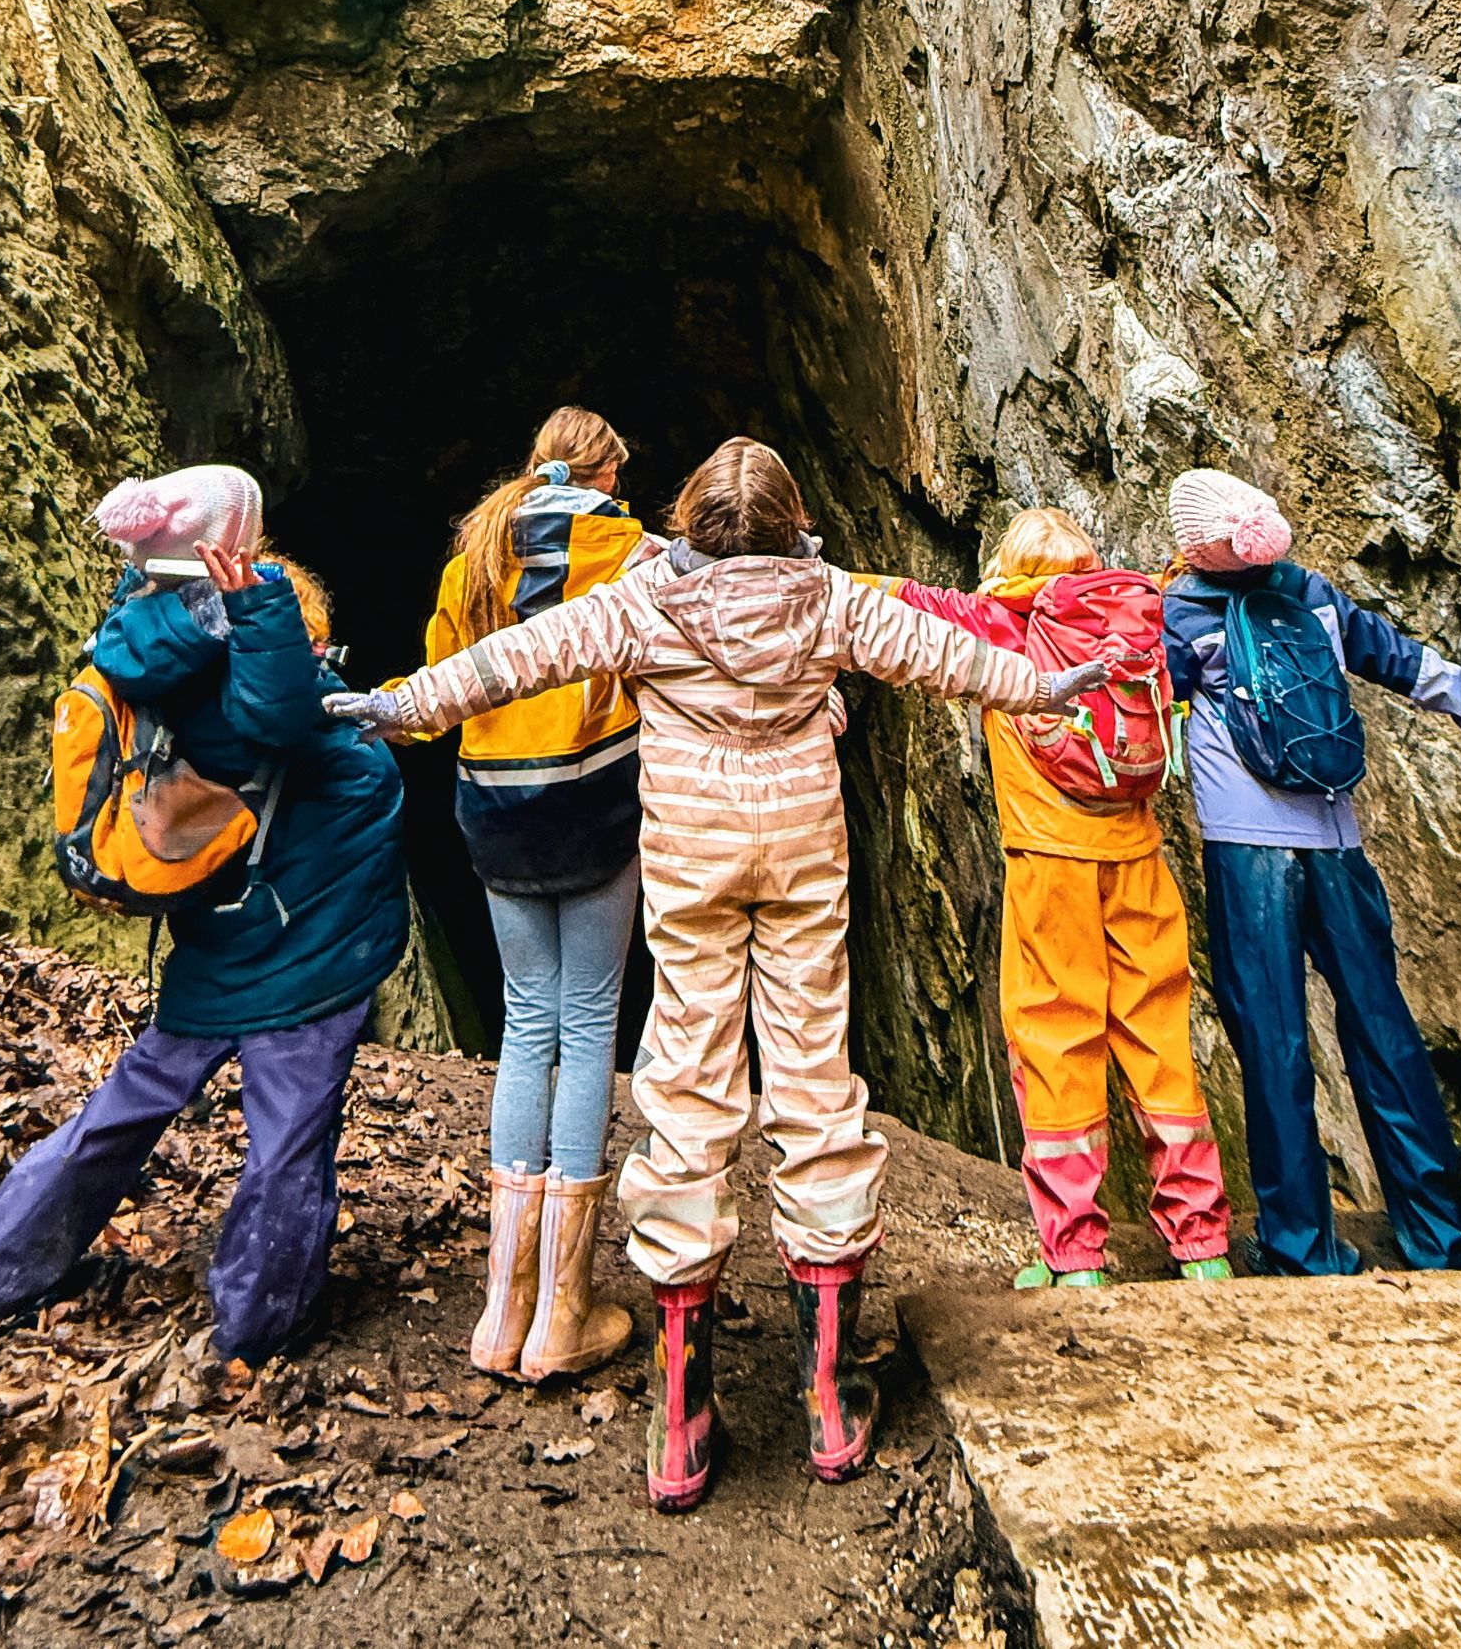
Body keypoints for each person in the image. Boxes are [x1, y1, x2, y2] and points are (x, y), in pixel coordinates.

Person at [328, 439, 1108, 1511]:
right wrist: (1041, 685)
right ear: (792, 522)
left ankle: (683, 1418)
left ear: (686, 520)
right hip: (798, 856)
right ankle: (829, 1398)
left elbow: (520, 658)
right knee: (812, 1085)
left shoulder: (642, 600)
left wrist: (405, 705)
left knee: (685, 1089)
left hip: (691, 863)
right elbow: (940, 654)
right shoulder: (829, 599)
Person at [0, 465, 407, 1365]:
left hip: (217, 945)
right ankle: (257, 1321)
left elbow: (266, 710)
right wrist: (269, 614)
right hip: (301, 955)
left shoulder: (144, 633)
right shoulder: (257, 663)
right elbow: (271, 717)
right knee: (287, 1146)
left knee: (121, 1112)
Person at [1158, 467, 1461, 1278]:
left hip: (1247, 853)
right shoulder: (1315, 595)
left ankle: (1303, 1248)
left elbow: (1136, 719)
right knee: (1382, 1026)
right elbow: (1415, 669)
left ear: (1192, 543)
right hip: (1339, 843)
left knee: (1274, 1041)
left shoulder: (1180, 612)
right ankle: (1438, 1236)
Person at [871, 506, 1232, 1289]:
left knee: (1057, 1044)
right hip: (1139, 865)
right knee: (1161, 1044)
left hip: (1051, 871)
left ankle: (1075, 1257)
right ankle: (1202, 1244)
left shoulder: (1001, 618)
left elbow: (884, 599)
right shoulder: (1138, 620)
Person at [403, 407, 647, 1383]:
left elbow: (439, 677)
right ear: (607, 474)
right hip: (593, 801)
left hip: (494, 807)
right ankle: (563, 1311)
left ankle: (501, 1312)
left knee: (524, 1023)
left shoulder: (475, 554)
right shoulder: (630, 550)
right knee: (587, 1025)